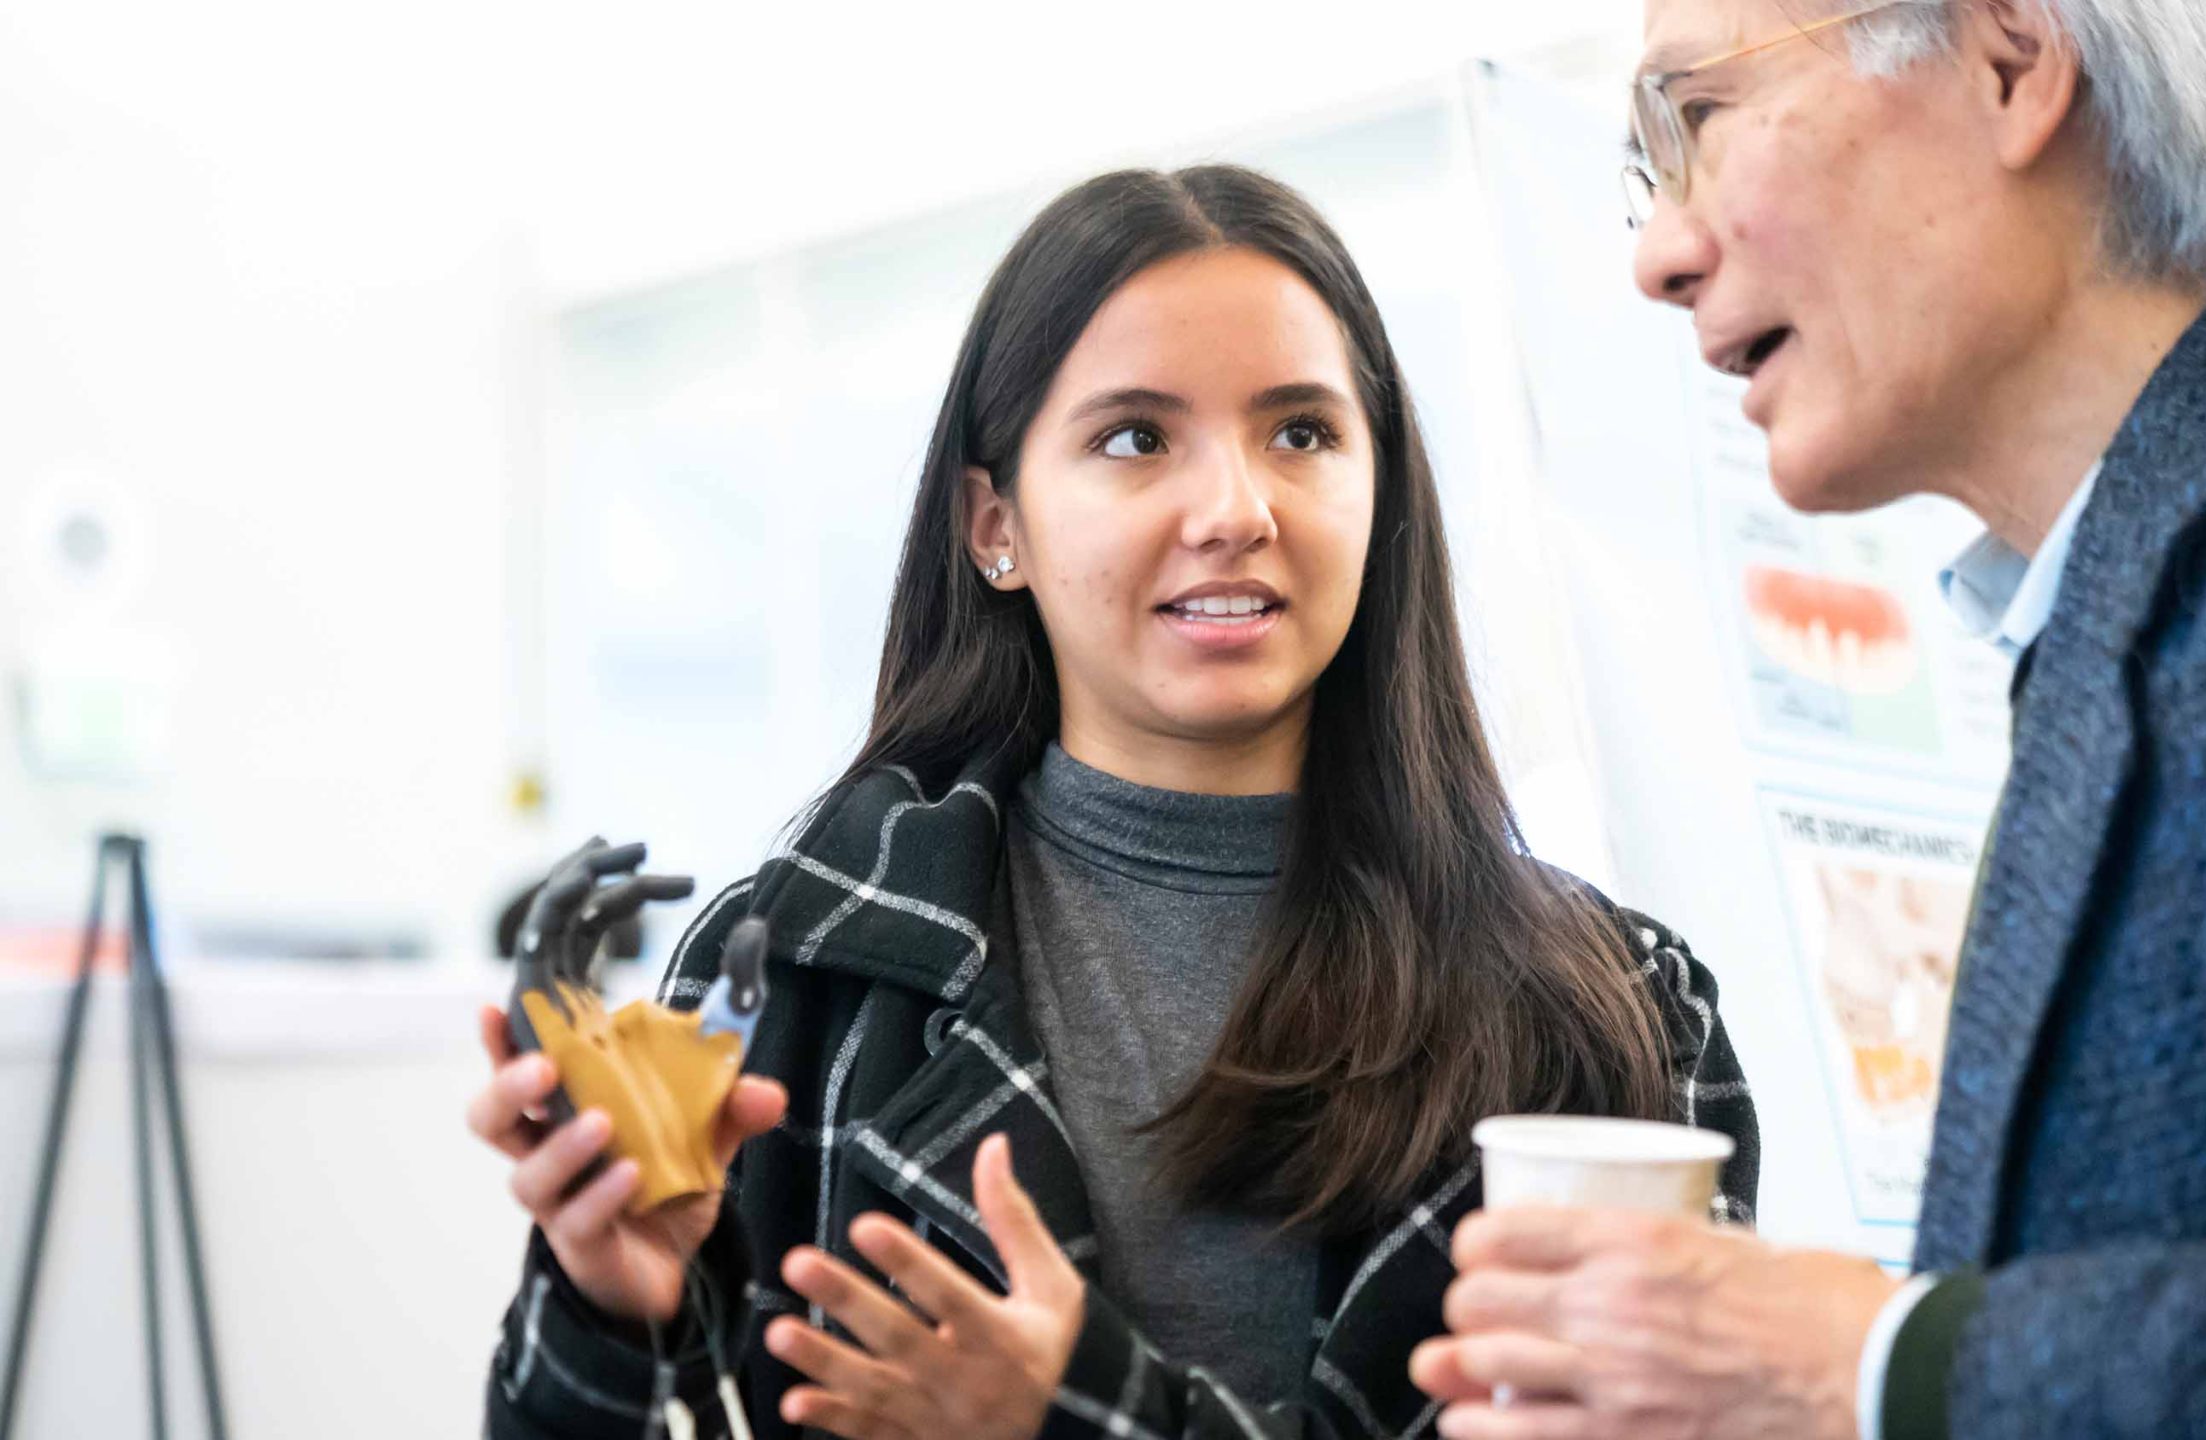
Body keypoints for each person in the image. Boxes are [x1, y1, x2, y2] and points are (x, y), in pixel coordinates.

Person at [467, 164, 1760, 1440]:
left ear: (1383, 489)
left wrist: (1085, 1419)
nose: (1236, 510)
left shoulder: (1622, 1020)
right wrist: (605, 1313)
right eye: (1136, 439)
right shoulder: (804, 973)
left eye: (1301, 433)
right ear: (995, 527)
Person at [1415, 1, 2206, 1437]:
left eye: (1694, 121)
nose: (1659, 253)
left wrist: (1865, 1363)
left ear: (2012, 62)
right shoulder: (2112, 619)